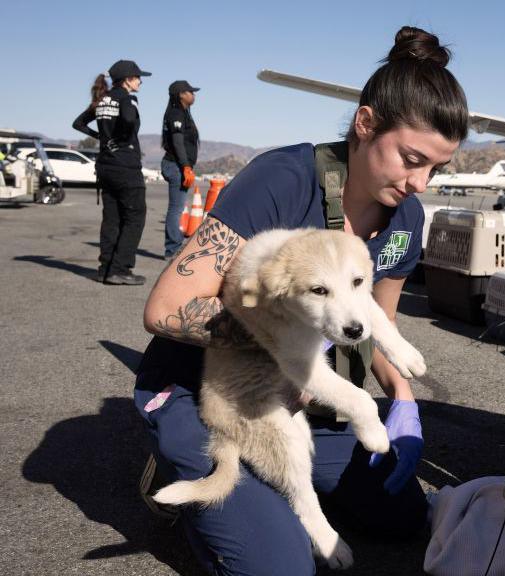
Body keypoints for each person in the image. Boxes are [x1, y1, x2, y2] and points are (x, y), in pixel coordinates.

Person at [133, 27, 469, 575]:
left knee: (401, 513)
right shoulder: (283, 180)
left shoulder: (404, 218)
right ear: (365, 124)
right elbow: (165, 307)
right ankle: (182, 475)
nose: (421, 183)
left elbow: (375, 320)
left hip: (299, 395)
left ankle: (277, 486)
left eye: (437, 168)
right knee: (282, 565)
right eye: (411, 159)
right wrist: (282, 345)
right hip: (207, 390)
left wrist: (403, 401)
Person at [73, 60, 151, 285]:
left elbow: (78, 123)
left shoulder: (103, 99)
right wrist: (123, 138)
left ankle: (105, 269)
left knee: (112, 219)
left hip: (105, 166)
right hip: (125, 166)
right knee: (135, 217)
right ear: (127, 80)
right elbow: (127, 119)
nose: (140, 81)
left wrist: (102, 138)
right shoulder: (127, 98)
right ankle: (120, 269)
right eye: (137, 77)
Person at [161, 80, 201, 259]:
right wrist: (185, 166)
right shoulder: (176, 113)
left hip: (179, 166)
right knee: (176, 209)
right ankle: (173, 249)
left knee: (176, 207)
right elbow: (177, 142)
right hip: (176, 166)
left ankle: (174, 246)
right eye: (190, 92)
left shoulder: (183, 113)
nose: (194, 94)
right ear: (181, 95)